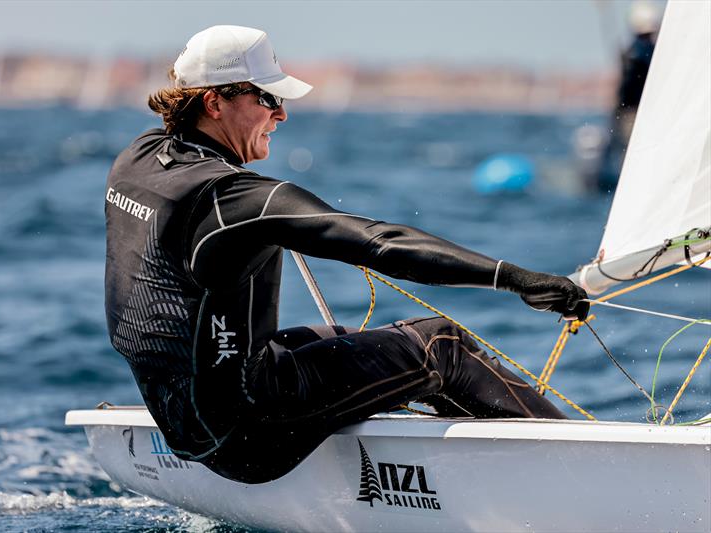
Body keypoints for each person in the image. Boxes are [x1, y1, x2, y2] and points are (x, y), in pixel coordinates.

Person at [104, 25, 589, 484]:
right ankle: (579, 470)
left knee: (338, 339)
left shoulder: (137, 160)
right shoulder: (236, 199)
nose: (281, 114)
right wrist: (515, 278)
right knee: (441, 345)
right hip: (247, 435)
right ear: (214, 102)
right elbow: (381, 242)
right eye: (268, 98)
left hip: (182, 418)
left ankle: (471, 469)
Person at [593, 0, 660, 192]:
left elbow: (626, 87)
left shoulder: (632, 52)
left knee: (627, 156)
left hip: (629, 113)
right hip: (639, 113)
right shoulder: (650, 52)